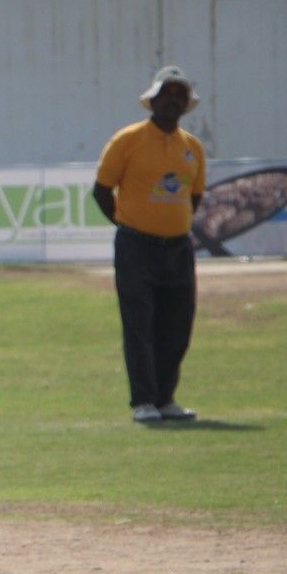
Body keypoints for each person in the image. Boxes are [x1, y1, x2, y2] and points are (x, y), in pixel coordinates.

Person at [93, 66, 207, 425]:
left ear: (187, 103)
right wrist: (128, 225)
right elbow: (101, 191)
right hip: (136, 247)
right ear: (152, 100)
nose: (172, 99)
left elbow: (195, 196)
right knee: (139, 325)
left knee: (177, 325)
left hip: (178, 248)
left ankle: (165, 398)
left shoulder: (192, 147)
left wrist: (172, 224)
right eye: (166, 93)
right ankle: (143, 401)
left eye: (179, 94)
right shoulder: (128, 140)